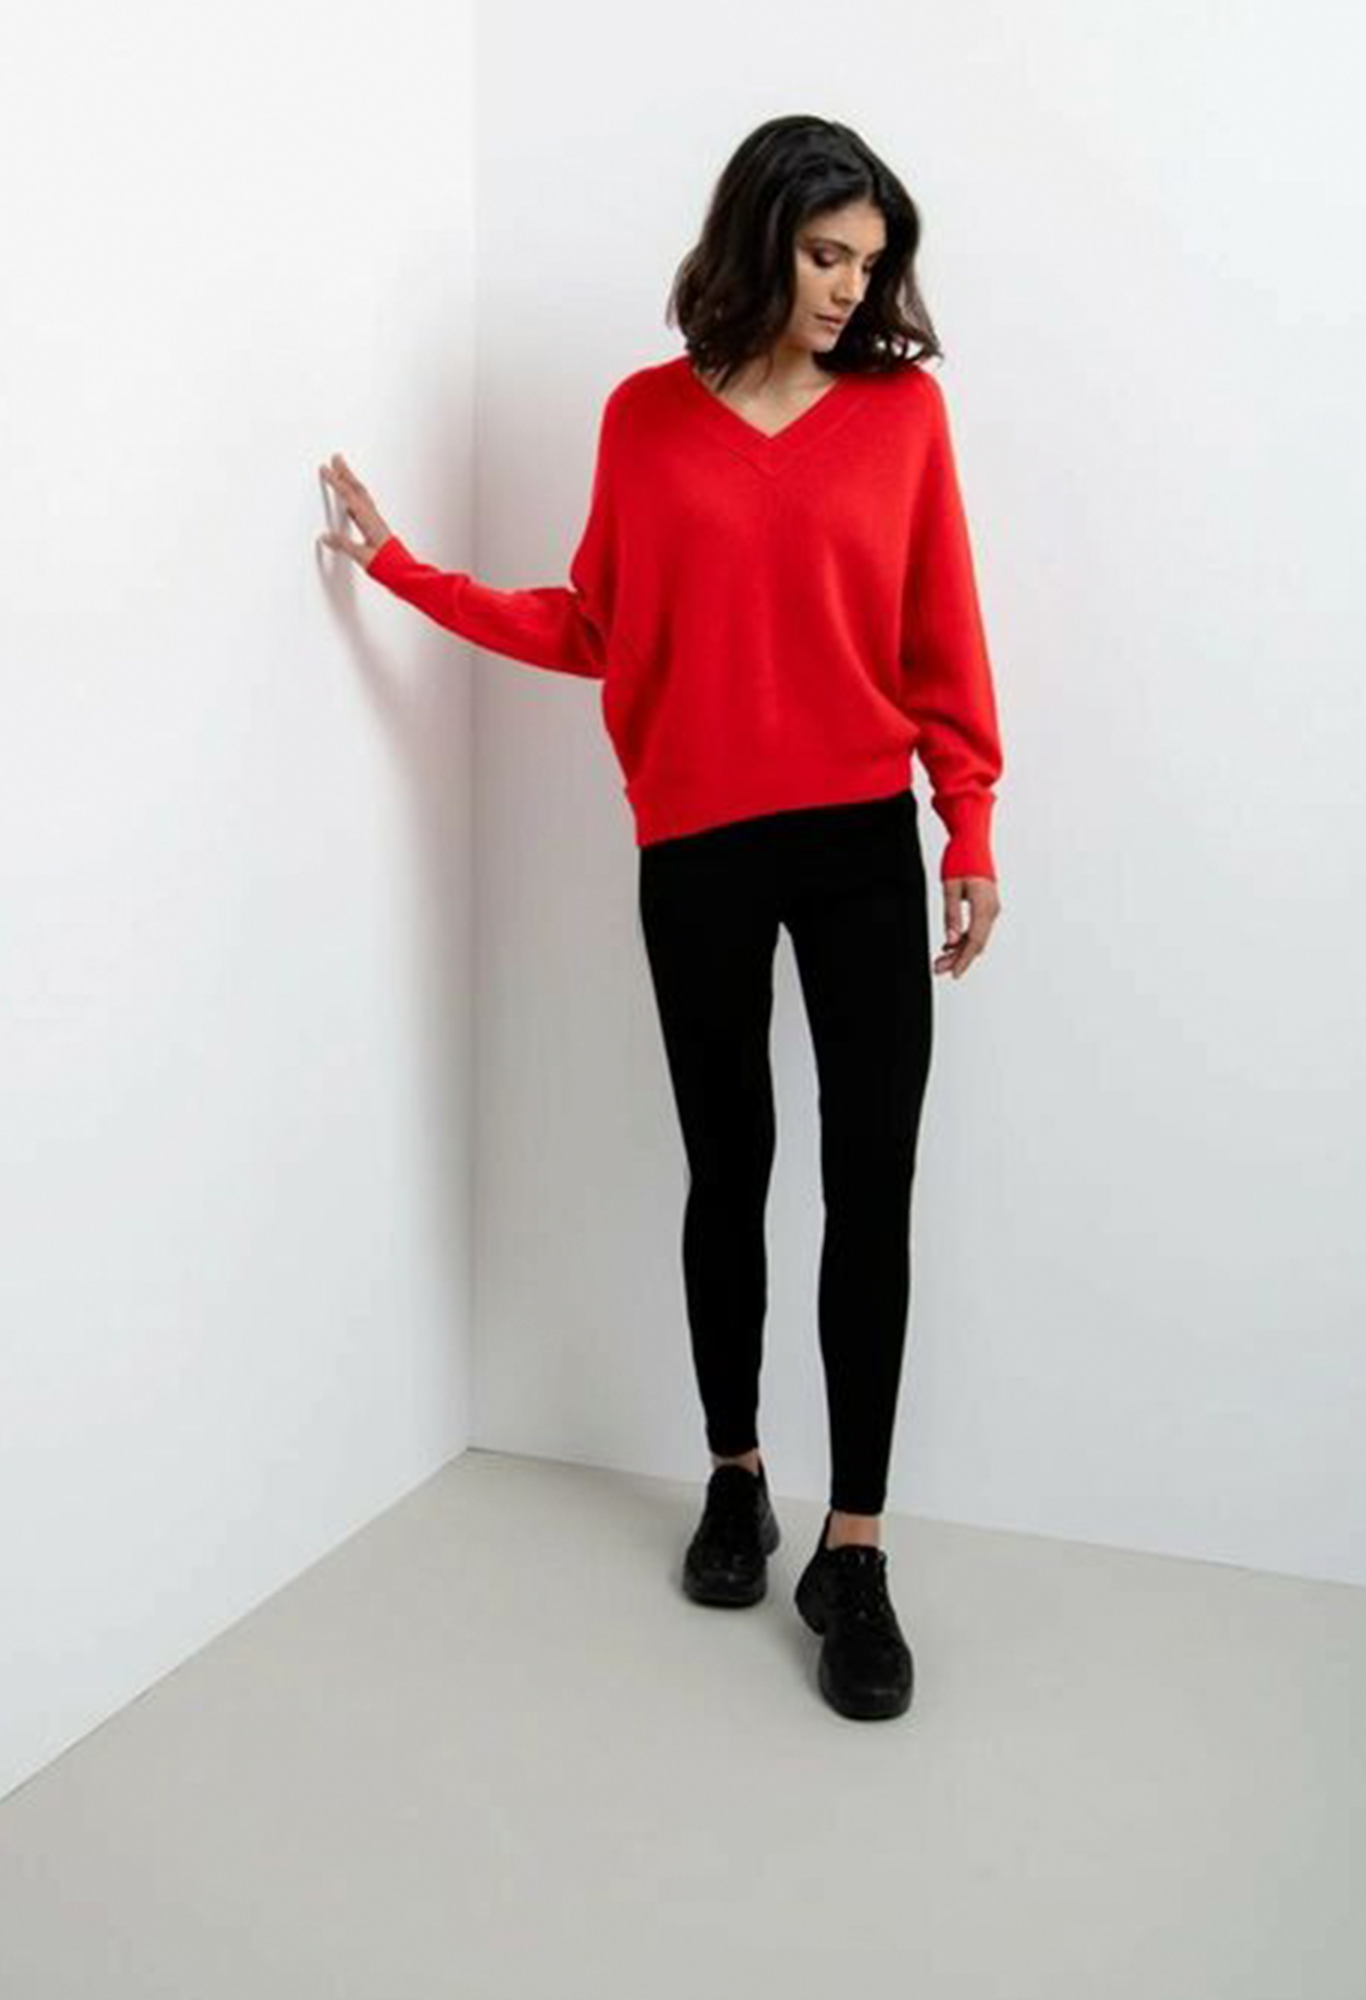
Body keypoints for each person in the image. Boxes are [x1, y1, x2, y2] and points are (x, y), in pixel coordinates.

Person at [317, 114, 1005, 1722]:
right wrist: (408, 575)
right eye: (824, 255)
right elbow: (595, 624)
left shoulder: (902, 416)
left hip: (857, 841)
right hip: (694, 847)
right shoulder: (642, 418)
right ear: (758, 239)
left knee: (871, 1185)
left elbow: (941, 635)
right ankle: (734, 1476)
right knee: (728, 1167)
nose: (847, 289)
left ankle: (854, 1549)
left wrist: (966, 821)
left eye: (868, 264)